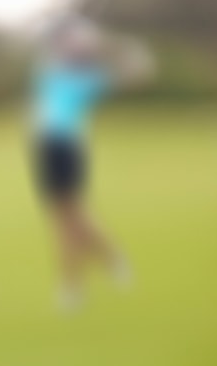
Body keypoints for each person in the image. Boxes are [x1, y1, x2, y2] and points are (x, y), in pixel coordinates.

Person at [31, 15, 153, 310]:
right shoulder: (53, 67)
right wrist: (104, 43)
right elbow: (54, 43)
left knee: (70, 219)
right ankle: (94, 272)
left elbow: (135, 75)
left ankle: (82, 279)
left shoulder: (88, 79)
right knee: (64, 220)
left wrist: (112, 49)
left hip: (66, 149)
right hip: (46, 149)